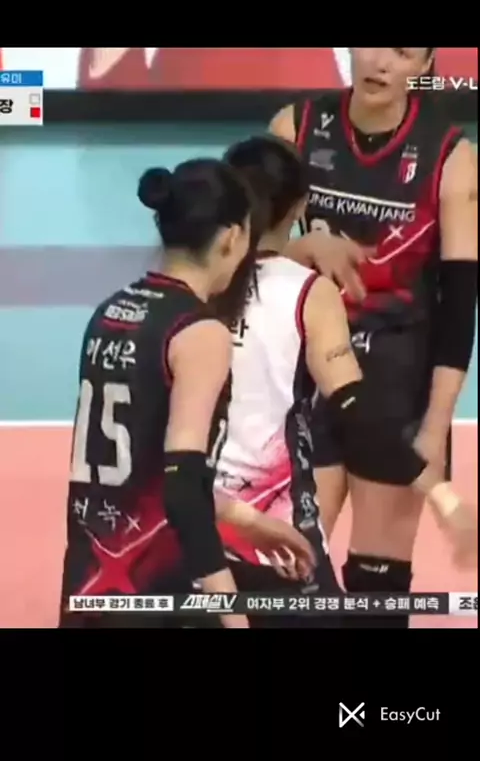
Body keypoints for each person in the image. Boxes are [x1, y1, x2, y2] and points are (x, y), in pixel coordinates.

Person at [59, 158, 316, 630]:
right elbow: (181, 488)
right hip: (154, 595)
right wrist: (231, 613)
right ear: (233, 236)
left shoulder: (110, 312)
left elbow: (147, 473)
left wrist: (247, 520)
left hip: (89, 590)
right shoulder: (200, 333)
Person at [270, 48, 478, 627]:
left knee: (377, 592)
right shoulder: (295, 128)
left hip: (396, 379)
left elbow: (460, 306)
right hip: (305, 371)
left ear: (426, 64)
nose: (381, 61)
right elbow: (239, 256)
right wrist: (300, 248)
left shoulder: (451, 156)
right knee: (285, 576)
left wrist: (435, 427)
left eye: (403, 51)